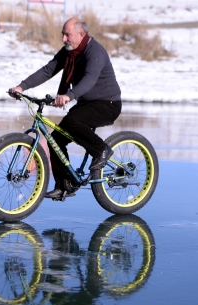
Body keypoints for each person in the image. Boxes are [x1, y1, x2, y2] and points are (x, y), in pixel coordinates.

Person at [9, 17, 122, 200]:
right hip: (87, 104)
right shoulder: (69, 53)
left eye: (67, 34)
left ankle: (102, 150)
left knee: (73, 121)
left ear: (81, 34)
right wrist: (22, 87)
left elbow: (89, 79)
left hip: (107, 104)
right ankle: (64, 186)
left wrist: (69, 95)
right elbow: (47, 71)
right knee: (55, 140)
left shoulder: (95, 52)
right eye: (63, 34)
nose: (63, 39)